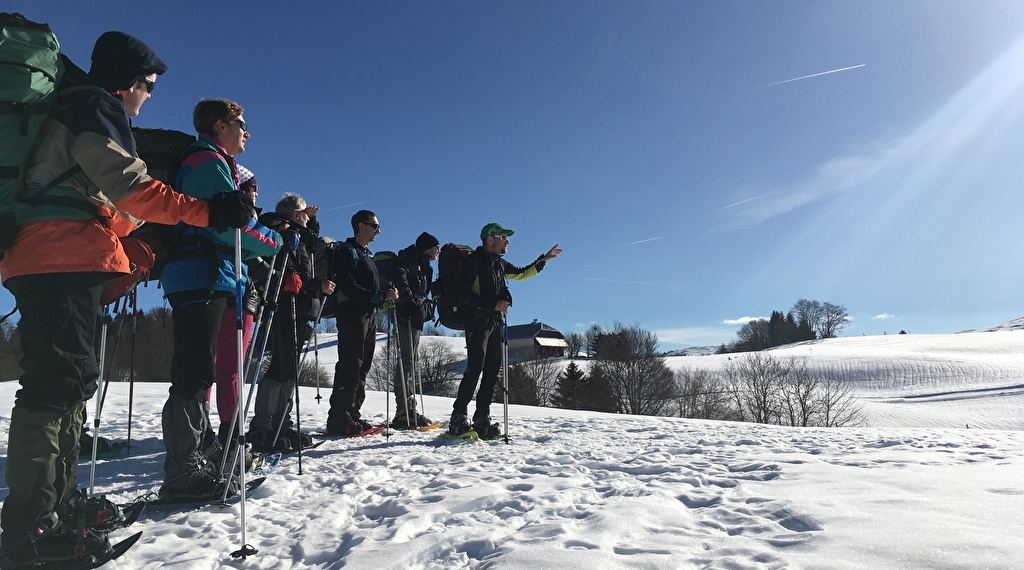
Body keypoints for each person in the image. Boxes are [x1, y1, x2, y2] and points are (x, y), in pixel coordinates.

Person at [0, 32, 255, 566]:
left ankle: (56, 501)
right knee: (54, 385)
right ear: (129, 82)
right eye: (149, 87)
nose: (148, 98)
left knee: (69, 383)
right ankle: (28, 525)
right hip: (58, 256)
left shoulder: (75, 109)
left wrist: (131, 235)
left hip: (57, 253)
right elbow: (129, 185)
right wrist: (206, 212)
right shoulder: (94, 104)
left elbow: (102, 197)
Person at [158, 99, 281, 500]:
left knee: (201, 370)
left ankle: (198, 455)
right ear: (219, 124)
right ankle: (182, 471)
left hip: (208, 273)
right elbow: (230, 229)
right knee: (194, 371)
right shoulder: (207, 162)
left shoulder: (213, 162)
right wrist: (276, 241)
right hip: (200, 273)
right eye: (241, 124)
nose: (247, 132)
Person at [449, 223, 561, 438]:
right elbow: (462, 293)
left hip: (495, 323)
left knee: (491, 371)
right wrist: (492, 305)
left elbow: (521, 274)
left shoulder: (498, 263)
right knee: (475, 368)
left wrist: (543, 260)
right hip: (477, 322)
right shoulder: (473, 262)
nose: (507, 241)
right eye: (504, 237)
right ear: (490, 239)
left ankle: (482, 418)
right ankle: (458, 418)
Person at [248, 193, 335, 452]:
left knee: (289, 368)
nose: (308, 216)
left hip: (298, 306)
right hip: (283, 306)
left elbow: (306, 258)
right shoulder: (281, 232)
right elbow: (285, 271)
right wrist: (309, 284)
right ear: (294, 214)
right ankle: (263, 426)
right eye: (303, 213)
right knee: (281, 365)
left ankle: (280, 422)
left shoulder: (300, 237)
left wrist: (311, 221)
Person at [325, 210, 398, 435]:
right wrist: (378, 297)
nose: (378, 230)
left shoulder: (365, 253)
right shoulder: (346, 252)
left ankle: (352, 414)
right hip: (351, 313)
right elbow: (347, 285)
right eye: (375, 226)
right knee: (351, 364)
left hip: (367, 314)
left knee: (363, 364)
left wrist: (383, 293)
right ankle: (340, 417)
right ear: (361, 226)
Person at [208, 165, 259, 446]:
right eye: (252, 188)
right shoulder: (237, 214)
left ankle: (203, 434)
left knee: (209, 368)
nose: (256, 194)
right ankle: (231, 434)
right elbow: (259, 245)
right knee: (229, 370)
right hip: (232, 292)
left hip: (214, 287)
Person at [388, 232, 440, 429]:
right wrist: (409, 299)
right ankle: (404, 411)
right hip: (406, 316)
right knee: (407, 362)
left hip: (414, 316)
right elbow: (398, 273)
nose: (438, 251)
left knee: (410, 362)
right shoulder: (411, 260)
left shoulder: (422, 263)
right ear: (428, 248)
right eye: (436, 247)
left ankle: (407, 409)